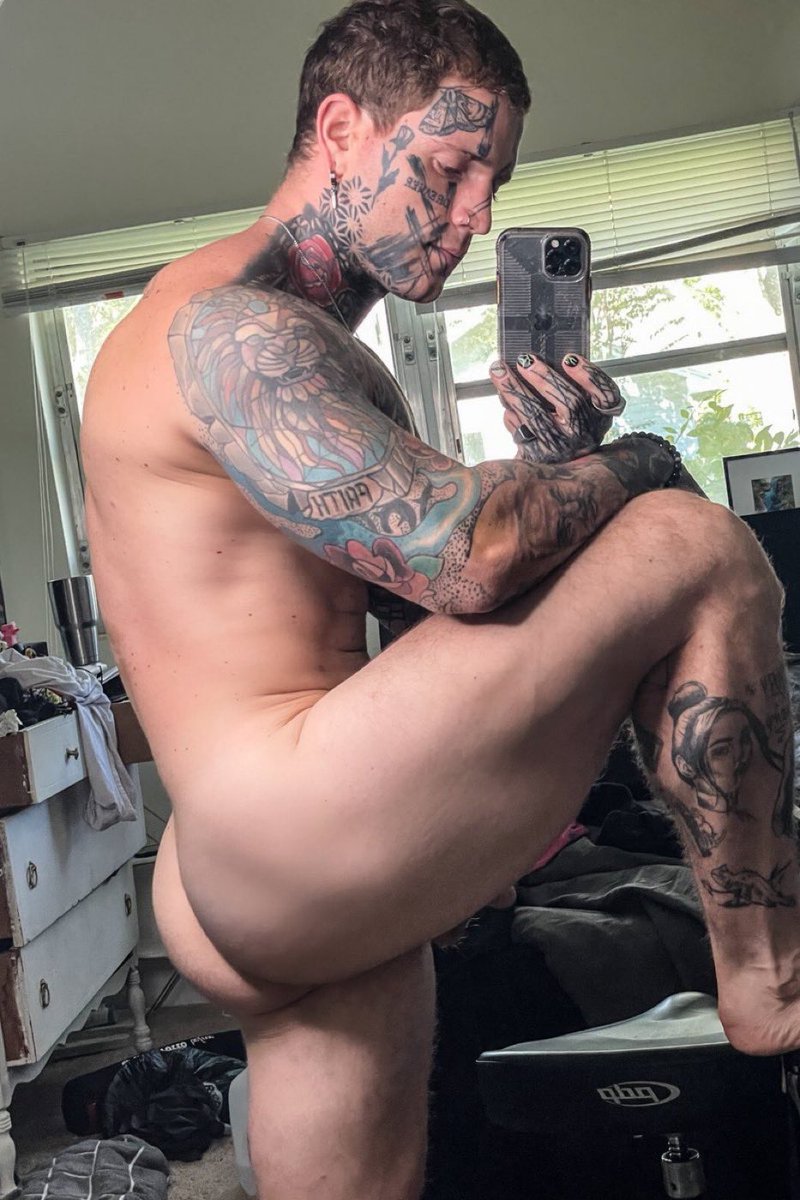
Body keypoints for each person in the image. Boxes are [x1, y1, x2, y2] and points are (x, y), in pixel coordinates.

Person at [80, 1, 798, 1195]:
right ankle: (769, 980)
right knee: (693, 540)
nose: (475, 215)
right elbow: (466, 556)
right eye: (455, 165)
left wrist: (554, 467)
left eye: (493, 183)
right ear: (340, 128)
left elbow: (425, 612)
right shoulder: (232, 328)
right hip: (292, 821)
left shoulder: (289, 339)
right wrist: (634, 464)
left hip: (248, 853)